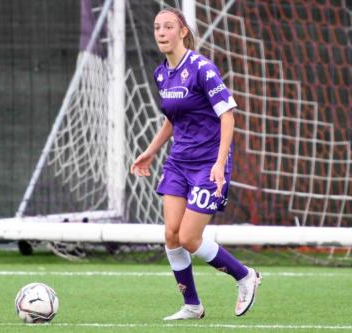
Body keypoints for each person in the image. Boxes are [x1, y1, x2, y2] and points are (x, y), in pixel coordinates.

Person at [130, 7, 261, 320]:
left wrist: (219, 164)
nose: (161, 32)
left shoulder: (202, 68)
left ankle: (245, 276)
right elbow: (172, 120)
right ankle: (191, 305)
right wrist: (149, 150)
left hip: (208, 164)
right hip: (178, 162)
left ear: (183, 31)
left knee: (190, 238)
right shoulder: (162, 73)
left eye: (169, 27)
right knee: (171, 236)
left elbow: (227, 116)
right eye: (157, 27)